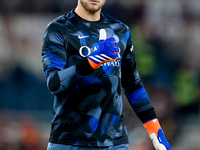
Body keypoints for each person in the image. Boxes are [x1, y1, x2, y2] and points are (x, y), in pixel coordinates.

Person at [41, 0, 172, 150]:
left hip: (114, 143)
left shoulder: (120, 31)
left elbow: (133, 86)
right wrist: (93, 60)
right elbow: (54, 83)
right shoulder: (58, 29)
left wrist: (155, 129)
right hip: (68, 142)